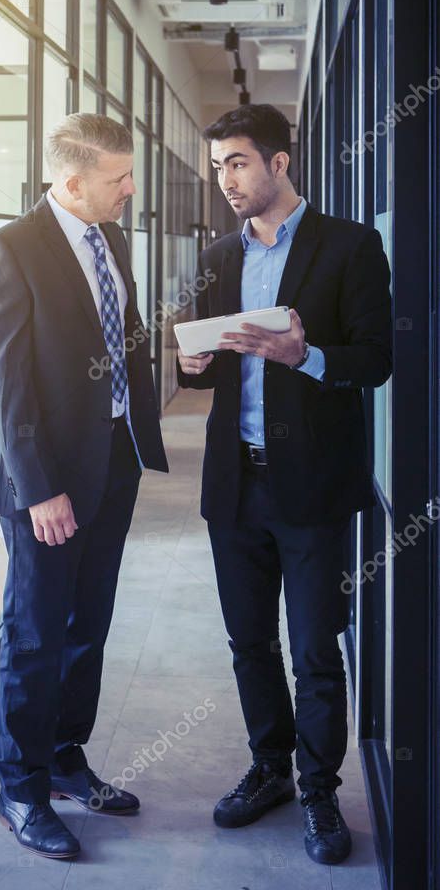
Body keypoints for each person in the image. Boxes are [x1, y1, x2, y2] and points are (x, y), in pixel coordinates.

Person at [177, 104, 392, 866]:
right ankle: (268, 768)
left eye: (237, 162)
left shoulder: (350, 246)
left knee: (314, 650)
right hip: (234, 485)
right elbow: (199, 367)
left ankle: (317, 789)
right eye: (217, 167)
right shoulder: (215, 257)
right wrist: (190, 365)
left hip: (312, 487)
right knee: (247, 643)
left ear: (278, 163)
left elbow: (374, 360)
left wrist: (303, 355)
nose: (226, 179)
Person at [0, 112, 168, 860]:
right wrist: (39, 490)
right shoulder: (10, 250)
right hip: (44, 482)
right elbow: (6, 386)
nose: (129, 189)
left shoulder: (109, 238)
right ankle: (18, 787)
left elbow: (118, 339)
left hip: (111, 461)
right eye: (118, 178)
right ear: (72, 180)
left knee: (87, 625)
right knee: (34, 634)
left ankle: (63, 756)